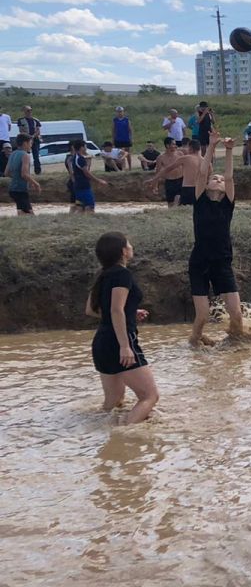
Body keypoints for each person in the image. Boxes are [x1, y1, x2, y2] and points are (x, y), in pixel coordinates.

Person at [83, 232, 159, 425]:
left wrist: (130, 312)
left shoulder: (103, 274)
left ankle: (103, 439)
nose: (132, 247)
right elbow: (116, 310)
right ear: (124, 251)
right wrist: (125, 346)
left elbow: (91, 310)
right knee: (150, 396)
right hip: (119, 342)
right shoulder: (122, 274)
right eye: (129, 244)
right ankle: (122, 434)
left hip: (102, 343)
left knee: (113, 403)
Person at [189, 138, 245, 345]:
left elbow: (230, 177)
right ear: (206, 185)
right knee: (202, 316)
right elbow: (202, 173)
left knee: (237, 315)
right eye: (215, 178)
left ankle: (234, 347)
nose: (219, 180)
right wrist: (211, 145)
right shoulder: (200, 200)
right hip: (199, 263)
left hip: (222, 262)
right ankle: (194, 343)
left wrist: (229, 151)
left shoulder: (227, 203)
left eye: (220, 180)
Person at [69, 139, 110, 213]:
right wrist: (99, 181)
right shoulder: (80, 159)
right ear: (81, 148)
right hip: (84, 186)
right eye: (85, 147)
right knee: (90, 207)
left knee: (80, 207)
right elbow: (86, 173)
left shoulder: (75, 157)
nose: (86, 148)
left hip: (77, 186)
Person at [5, 132, 41, 214]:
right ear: (25, 143)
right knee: (30, 214)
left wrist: (17, 178)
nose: (31, 146)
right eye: (30, 143)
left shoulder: (12, 154)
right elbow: (24, 174)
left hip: (12, 189)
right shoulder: (25, 155)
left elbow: (6, 173)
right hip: (20, 190)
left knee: (21, 212)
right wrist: (36, 184)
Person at [18, 106, 42, 174]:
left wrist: (33, 136)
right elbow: (21, 130)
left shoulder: (36, 120)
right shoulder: (21, 120)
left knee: (36, 156)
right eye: (27, 110)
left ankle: (38, 172)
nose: (29, 112)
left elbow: (38, 130)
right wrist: (28, 136)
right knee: (25, 156)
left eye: (30, 110)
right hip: (25, 140)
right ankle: (26, 171)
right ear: (24, 111)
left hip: (35, 139)